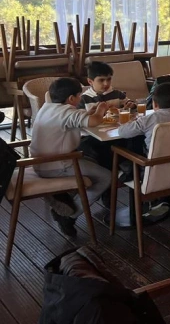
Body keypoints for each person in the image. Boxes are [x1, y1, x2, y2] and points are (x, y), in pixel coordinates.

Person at [30, 77, 111, 236]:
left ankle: (64, 198)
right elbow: (94, 121)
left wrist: (90, 113)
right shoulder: (67, 112)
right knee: (106, 177)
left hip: (41, 163)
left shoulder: (47, 107)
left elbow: (77, 118)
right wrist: (101, 108)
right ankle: (69, 215)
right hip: (57, 164)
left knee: (93, 161)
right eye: (79, 96)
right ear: (71, 98)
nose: (80, 98)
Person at [118, 82, 170, 152]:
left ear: (155, 104)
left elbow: (122, 132)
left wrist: (132, 120)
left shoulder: (147, 120)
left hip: (155, 160)